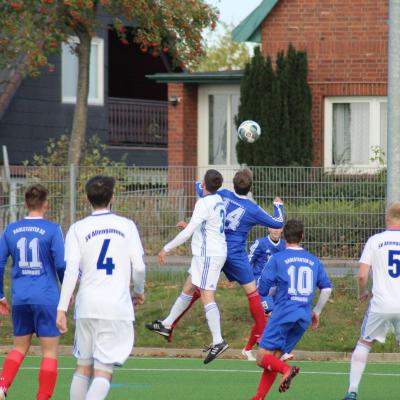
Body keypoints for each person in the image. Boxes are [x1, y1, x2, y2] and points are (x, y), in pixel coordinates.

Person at [150, 169, 284, 352]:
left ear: (232, 183)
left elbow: (201, 186)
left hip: (214, 249)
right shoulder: (253, 208)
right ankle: (263, 336)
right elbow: (277, 222)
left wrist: (207, 184)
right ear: (250, 187)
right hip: (233, 254)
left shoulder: (221, 194)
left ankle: (184, 329)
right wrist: (278, 205)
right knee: (251, 293)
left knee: (198, 289)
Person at [56, 176, 146, 400]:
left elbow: (71, 272)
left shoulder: (78, 229)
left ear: (87, 199)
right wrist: (138, 291)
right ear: (112, 197)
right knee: (104, 371)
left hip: (87, 306)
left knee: (83, 367)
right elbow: (140, 267)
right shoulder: (126, 226)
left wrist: (61, 308)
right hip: (116, 307)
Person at [146, 169, 227, 364]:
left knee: (207, 296)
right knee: (189, 287)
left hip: (209, 255)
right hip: (207, 254)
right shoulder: (218, 200)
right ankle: (166, 324)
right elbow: (207, 226)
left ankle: (218, 341)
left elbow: (189, 232)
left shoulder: (204, 202)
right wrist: (190, 226)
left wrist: (166, 248)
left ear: (204, 185)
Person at [251, 219, 332, 399]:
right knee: (275, 357)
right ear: (302, 236)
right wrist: (316, 312)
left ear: (284, 237)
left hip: (283, 313)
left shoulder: (278, 258)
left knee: (262, 357)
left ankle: (287, 369)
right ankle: (259, 397)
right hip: (303, 316)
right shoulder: (313, 260)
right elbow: (326, 288)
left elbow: (263, 289)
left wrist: (275, 290)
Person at [0, 184, 65, 400]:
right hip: (46, 297)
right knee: (49, 352)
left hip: (20, 297)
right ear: (46, 204)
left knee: (19, 347)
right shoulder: (53, 229)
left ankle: (2, 385)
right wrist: (67, 292)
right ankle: (42, 398)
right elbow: (62, 264)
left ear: (26, 204)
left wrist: (0, 294)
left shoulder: (10, 229)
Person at [342, 202, 400, 400]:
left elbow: (361, 276)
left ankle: (352, 391)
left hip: (381, 303)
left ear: (387, 219)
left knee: (364, 343)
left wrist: (362, 292)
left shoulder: (375, 241)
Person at [242, 227, 286, 361]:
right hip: (260, 287)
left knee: (264, 318)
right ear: (268, 228)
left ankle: (248, 349)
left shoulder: (284, 245)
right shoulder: (260, 243)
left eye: (278, 228)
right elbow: (247, 262)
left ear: (282, 229)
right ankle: (273, 348)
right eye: (273, 228)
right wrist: (249, 282)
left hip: (277, 288)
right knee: (270, 315)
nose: (276, 231)